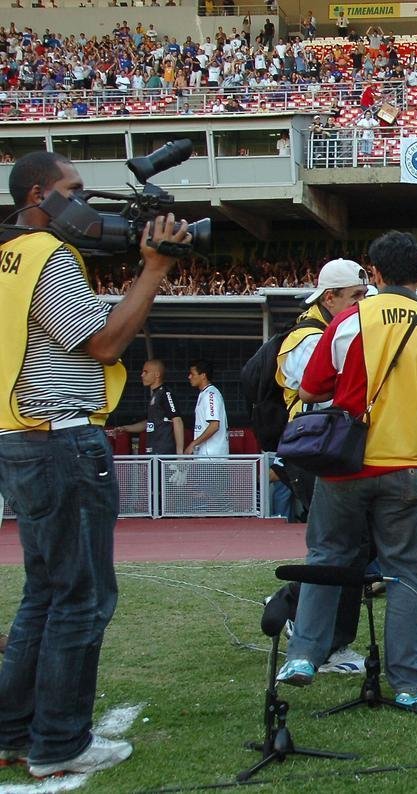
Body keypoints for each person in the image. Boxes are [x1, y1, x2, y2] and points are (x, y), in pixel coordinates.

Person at [0, 151, 190, 776]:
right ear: (38, 196)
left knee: (43, 593)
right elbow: (103, 342)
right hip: (61, 439)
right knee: (81, 597)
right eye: (73, 190)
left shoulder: (8, 258)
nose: (83, 202)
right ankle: (59, 742)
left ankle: (15, 729)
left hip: (21, 434)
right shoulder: (50, 257)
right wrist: (155, 269)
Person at [276, 231, 417, 714]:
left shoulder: (349, 319)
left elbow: (312, 388)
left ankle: (304, 656)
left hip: (348, 466)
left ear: (375, 275)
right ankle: (407, 682)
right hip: (409, 469)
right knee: (404, 574)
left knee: (327, 556)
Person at [269, 258, 370, 674]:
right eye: (355, 297)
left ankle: (298, 612)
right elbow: (324, 391)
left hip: (334, 452)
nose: (363, 305)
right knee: (339, 552)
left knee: (347, 550)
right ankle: (325, 643)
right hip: (320, 454)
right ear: (330, 298)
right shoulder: (307, 338)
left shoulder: (327, 330)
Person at [114, 360, 183, 454]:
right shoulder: (155, 395)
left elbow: (177, 420)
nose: (142, 375)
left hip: (164, 452)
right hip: (152, 451)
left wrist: (179, 453)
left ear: (157, 374)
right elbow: (150, 422)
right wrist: (125, 428)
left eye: (146, 372)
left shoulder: (165, 393)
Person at [185, 360, 228, 456]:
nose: (189, 377)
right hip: (205, 454)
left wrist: (193, 443)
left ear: (203, 375)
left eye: (192, 374)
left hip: (212, 456)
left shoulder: (210, 395)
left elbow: (214, 425)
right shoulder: (204, 394)